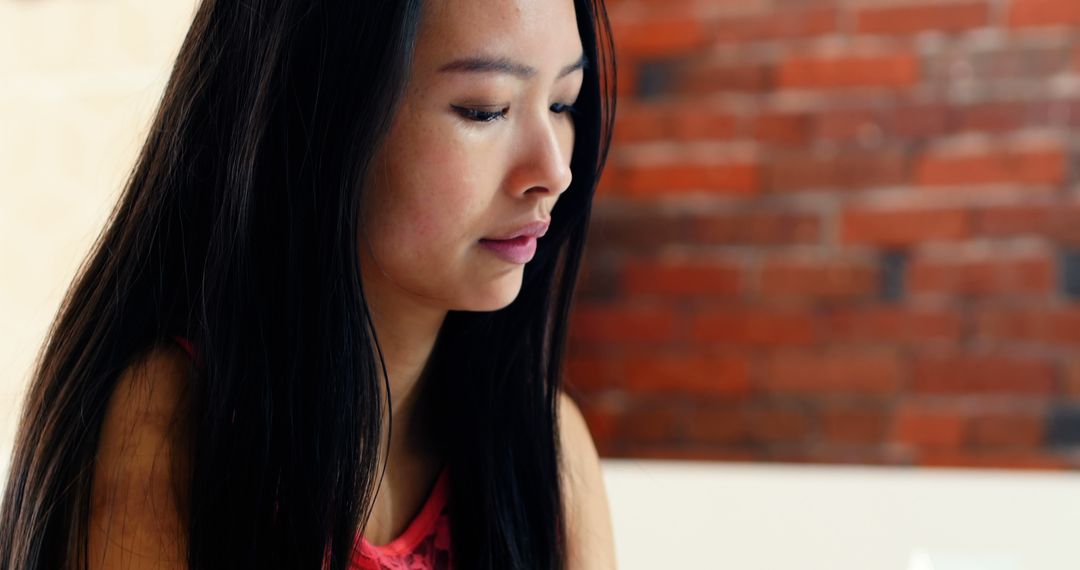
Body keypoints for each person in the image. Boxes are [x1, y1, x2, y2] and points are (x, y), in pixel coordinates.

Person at [0, 0, 618, 568]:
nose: (555, 171)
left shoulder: (551, 450)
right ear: (318, 113)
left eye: (563, 103)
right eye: (485, 108)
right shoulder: (174, 427)